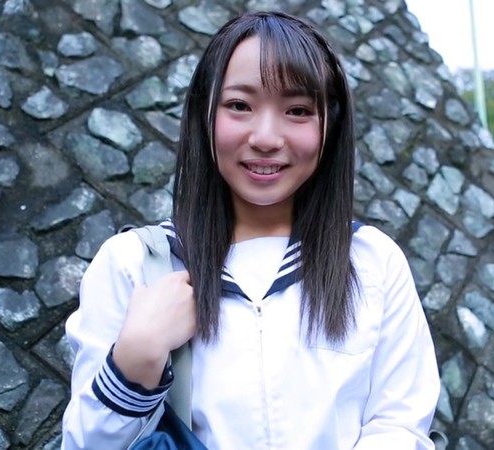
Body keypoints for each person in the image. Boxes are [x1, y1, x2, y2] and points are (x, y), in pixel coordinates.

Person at [61, 11, 440, 449]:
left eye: (297, 111)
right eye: (239, 105)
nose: (265, 138)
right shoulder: (135, 264)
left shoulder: (372, 262)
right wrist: (136, 358)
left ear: (330, 126)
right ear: (204, 114)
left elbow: (399, 426)